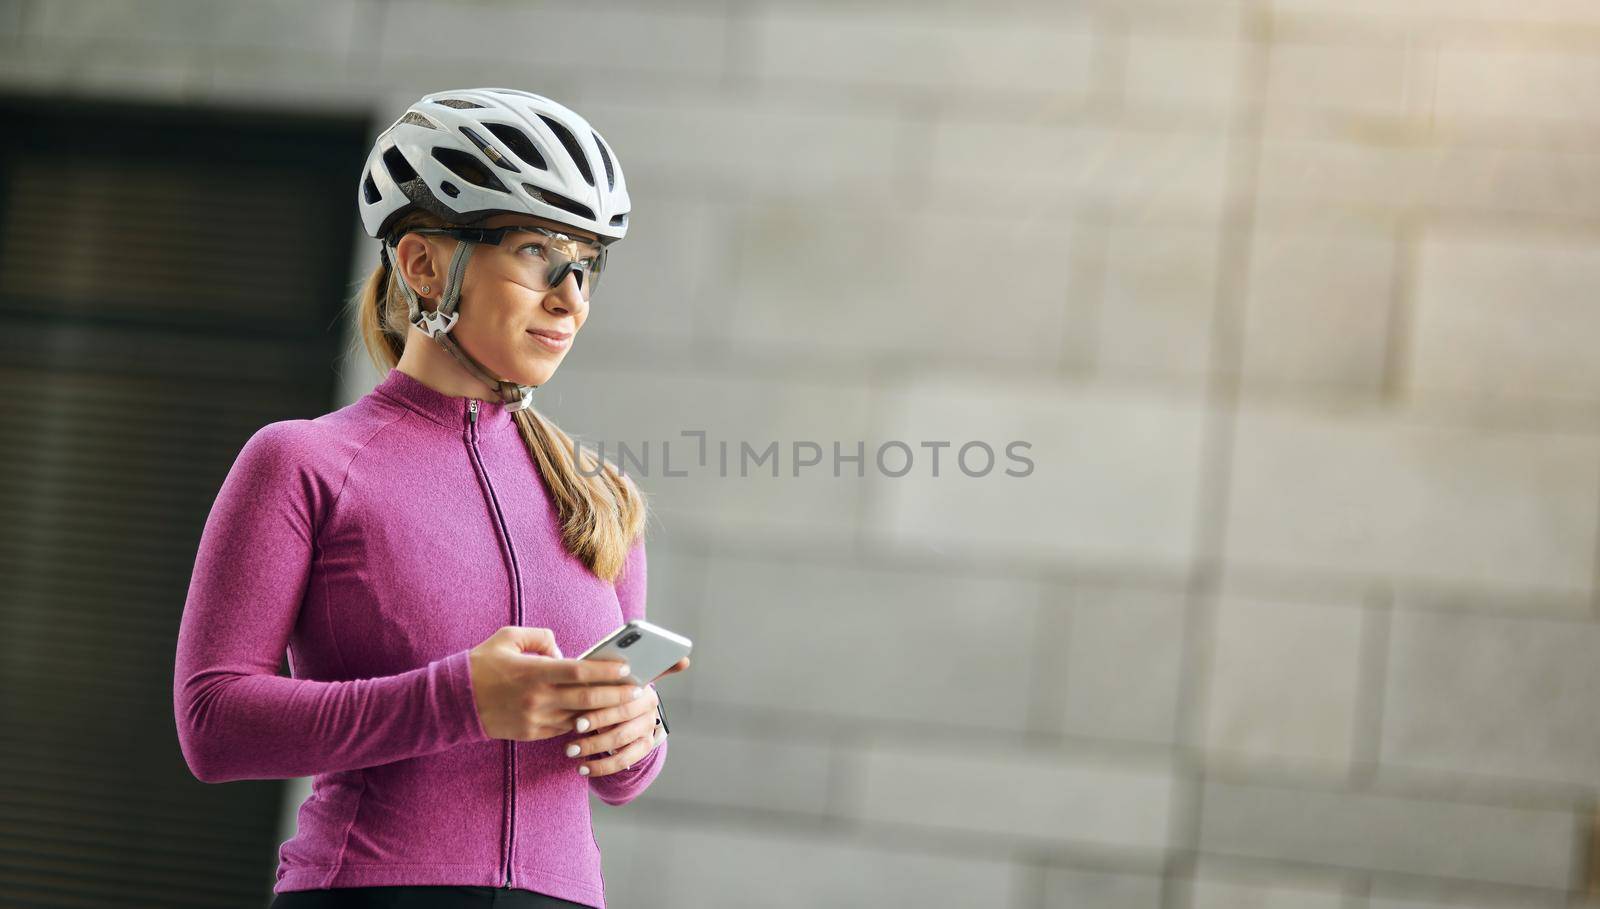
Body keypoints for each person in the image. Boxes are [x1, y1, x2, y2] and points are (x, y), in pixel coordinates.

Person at [172, 87, 690, 909]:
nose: (571, 296)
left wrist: (638, 732)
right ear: (420, 263)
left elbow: (621, 780)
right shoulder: (303, 461)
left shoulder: (600, 493)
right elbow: (213, 721)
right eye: (535, 251)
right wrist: (457, 698)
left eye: (585, 263)